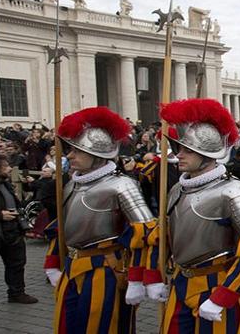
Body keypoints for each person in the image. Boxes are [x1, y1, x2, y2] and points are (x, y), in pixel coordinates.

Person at [150, 98, 240, 333]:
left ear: (206, 154)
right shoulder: (177, 188)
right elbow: (166, 234)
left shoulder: (232, 190)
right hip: (180, 283)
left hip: (217, 285)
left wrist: (224, 296)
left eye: (188, 149)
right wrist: (153, 274)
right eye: (179, 148)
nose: (179, 155)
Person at [43, 107, 157, 333]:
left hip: (104, 270)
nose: (69, 155)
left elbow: (144, 234)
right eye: (70, 149)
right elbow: (62, 228)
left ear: (97, 153)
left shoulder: (122, 185)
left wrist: (136, 278)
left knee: (103, 327)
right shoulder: (71, 184)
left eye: (76, 150)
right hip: (71, 268)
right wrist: (52, 262)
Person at [0, 156, 38, 304]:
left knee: (16, 263)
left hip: (12, 231)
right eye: (5, 166)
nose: (9, 169)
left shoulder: (6, 185)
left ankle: (16, 293)